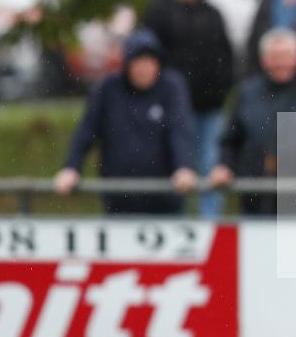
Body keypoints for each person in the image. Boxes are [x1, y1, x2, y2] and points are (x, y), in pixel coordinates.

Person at [54, 29, 197, 214]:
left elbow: (180, 130)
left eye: (150, 61)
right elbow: (86, 131)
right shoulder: (108, 89)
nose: (144, 68)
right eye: (139, 61)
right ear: (128, 64)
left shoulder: (171, 87)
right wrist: (71, 167)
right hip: (118, 200)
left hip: (165, 199)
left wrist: (183, 166)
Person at [142, 0, 234, 218]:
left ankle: (210, 225)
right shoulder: (161, 11)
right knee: (177, 168)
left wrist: (221, 89)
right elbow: (147, 56)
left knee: (211, 167)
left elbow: (225, 57)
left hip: (210, 106)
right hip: (172, 109)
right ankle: (176, 222)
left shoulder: (212, 14)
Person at [210, 28, 296, 215]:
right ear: (264, 60)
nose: (281, 62)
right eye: (275, 56)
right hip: (254, 195)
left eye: (286, 56)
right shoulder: (247, 92)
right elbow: (230, 139)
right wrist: (224, 166)